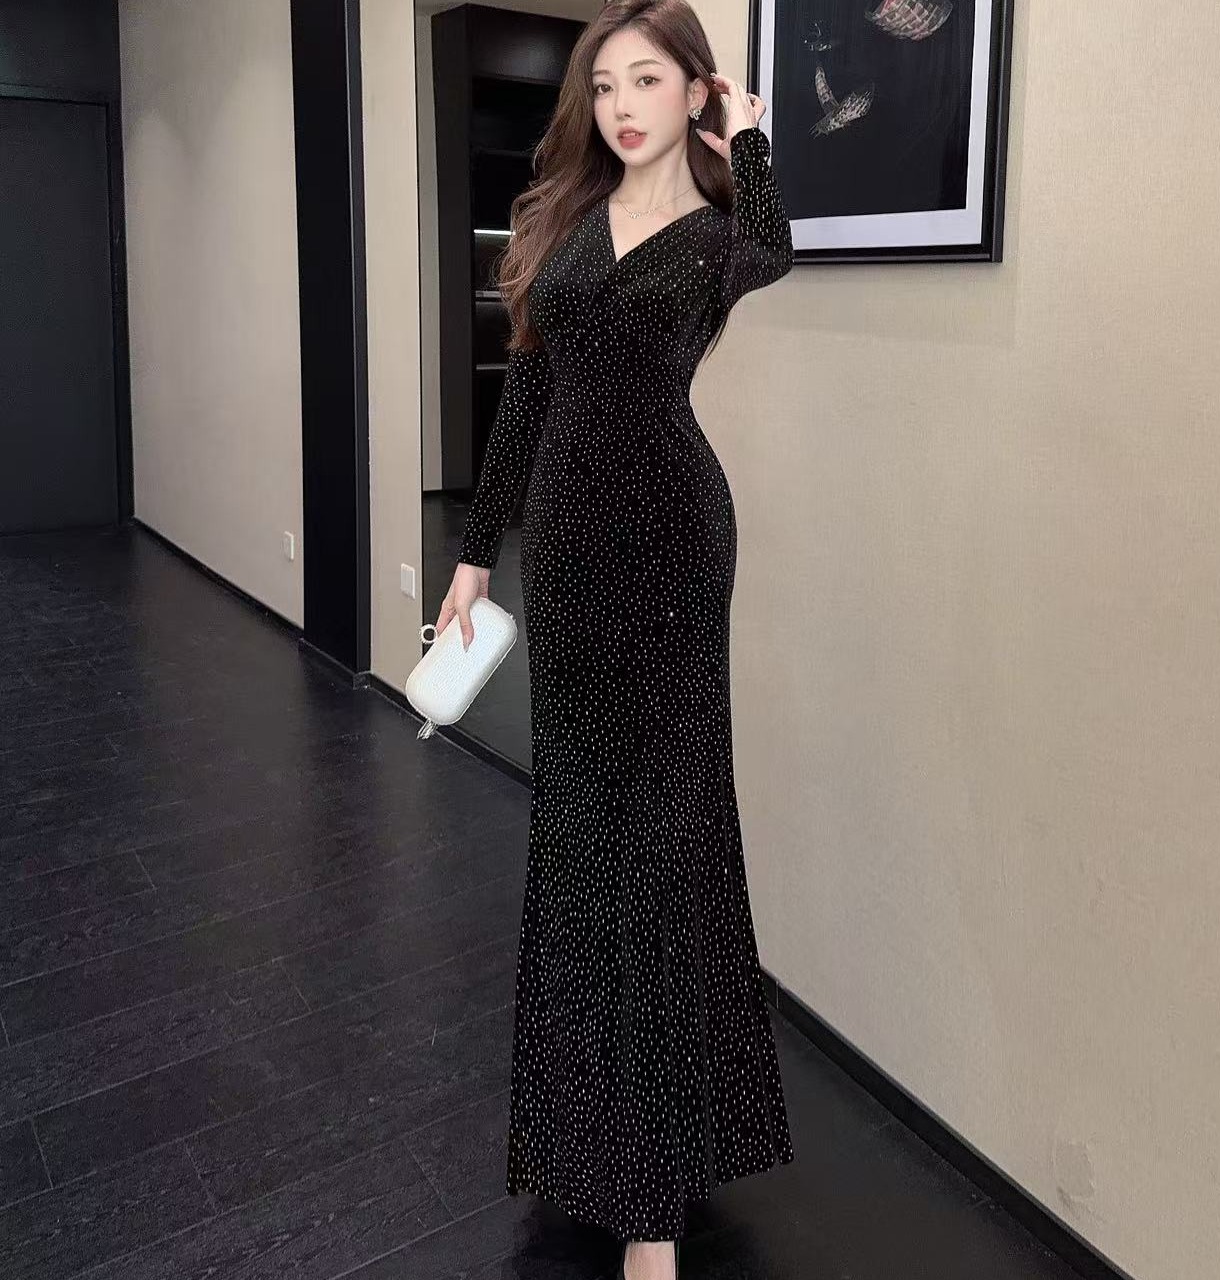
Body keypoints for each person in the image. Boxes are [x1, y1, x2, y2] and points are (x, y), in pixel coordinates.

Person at [433, 1, 795, 1275]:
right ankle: (583, 1135)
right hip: (570, 553)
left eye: (647, 80)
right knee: (581, 840)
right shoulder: (567, 225)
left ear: (692, 90)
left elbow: (774, 252)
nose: (621, 105)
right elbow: (525, 396)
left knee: (662, 844)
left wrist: (747, 141)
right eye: (603, 85)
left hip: (674, 545)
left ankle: (652, 1208)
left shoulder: (716, 234)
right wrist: (474, 550)